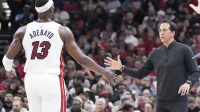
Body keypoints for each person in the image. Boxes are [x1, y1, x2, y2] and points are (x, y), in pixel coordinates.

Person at [2, 0, 119, 112]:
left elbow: (7, 59)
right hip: (51, 80)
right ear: (51, 9)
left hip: (31, 80)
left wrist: (8, 69)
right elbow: (82, 59)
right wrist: (104, 71)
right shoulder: (62, 31)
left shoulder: (22, 31)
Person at [104, 19, 200, 112]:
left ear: (173, 33)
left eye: (165, 30)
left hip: (178, 100)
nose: (161, 33)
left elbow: (196, 72)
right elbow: (140, 74)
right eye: (160, 30)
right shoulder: (155, 53)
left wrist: (188, 83)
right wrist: (122, 68)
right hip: (161, 101)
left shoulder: (185, 50)